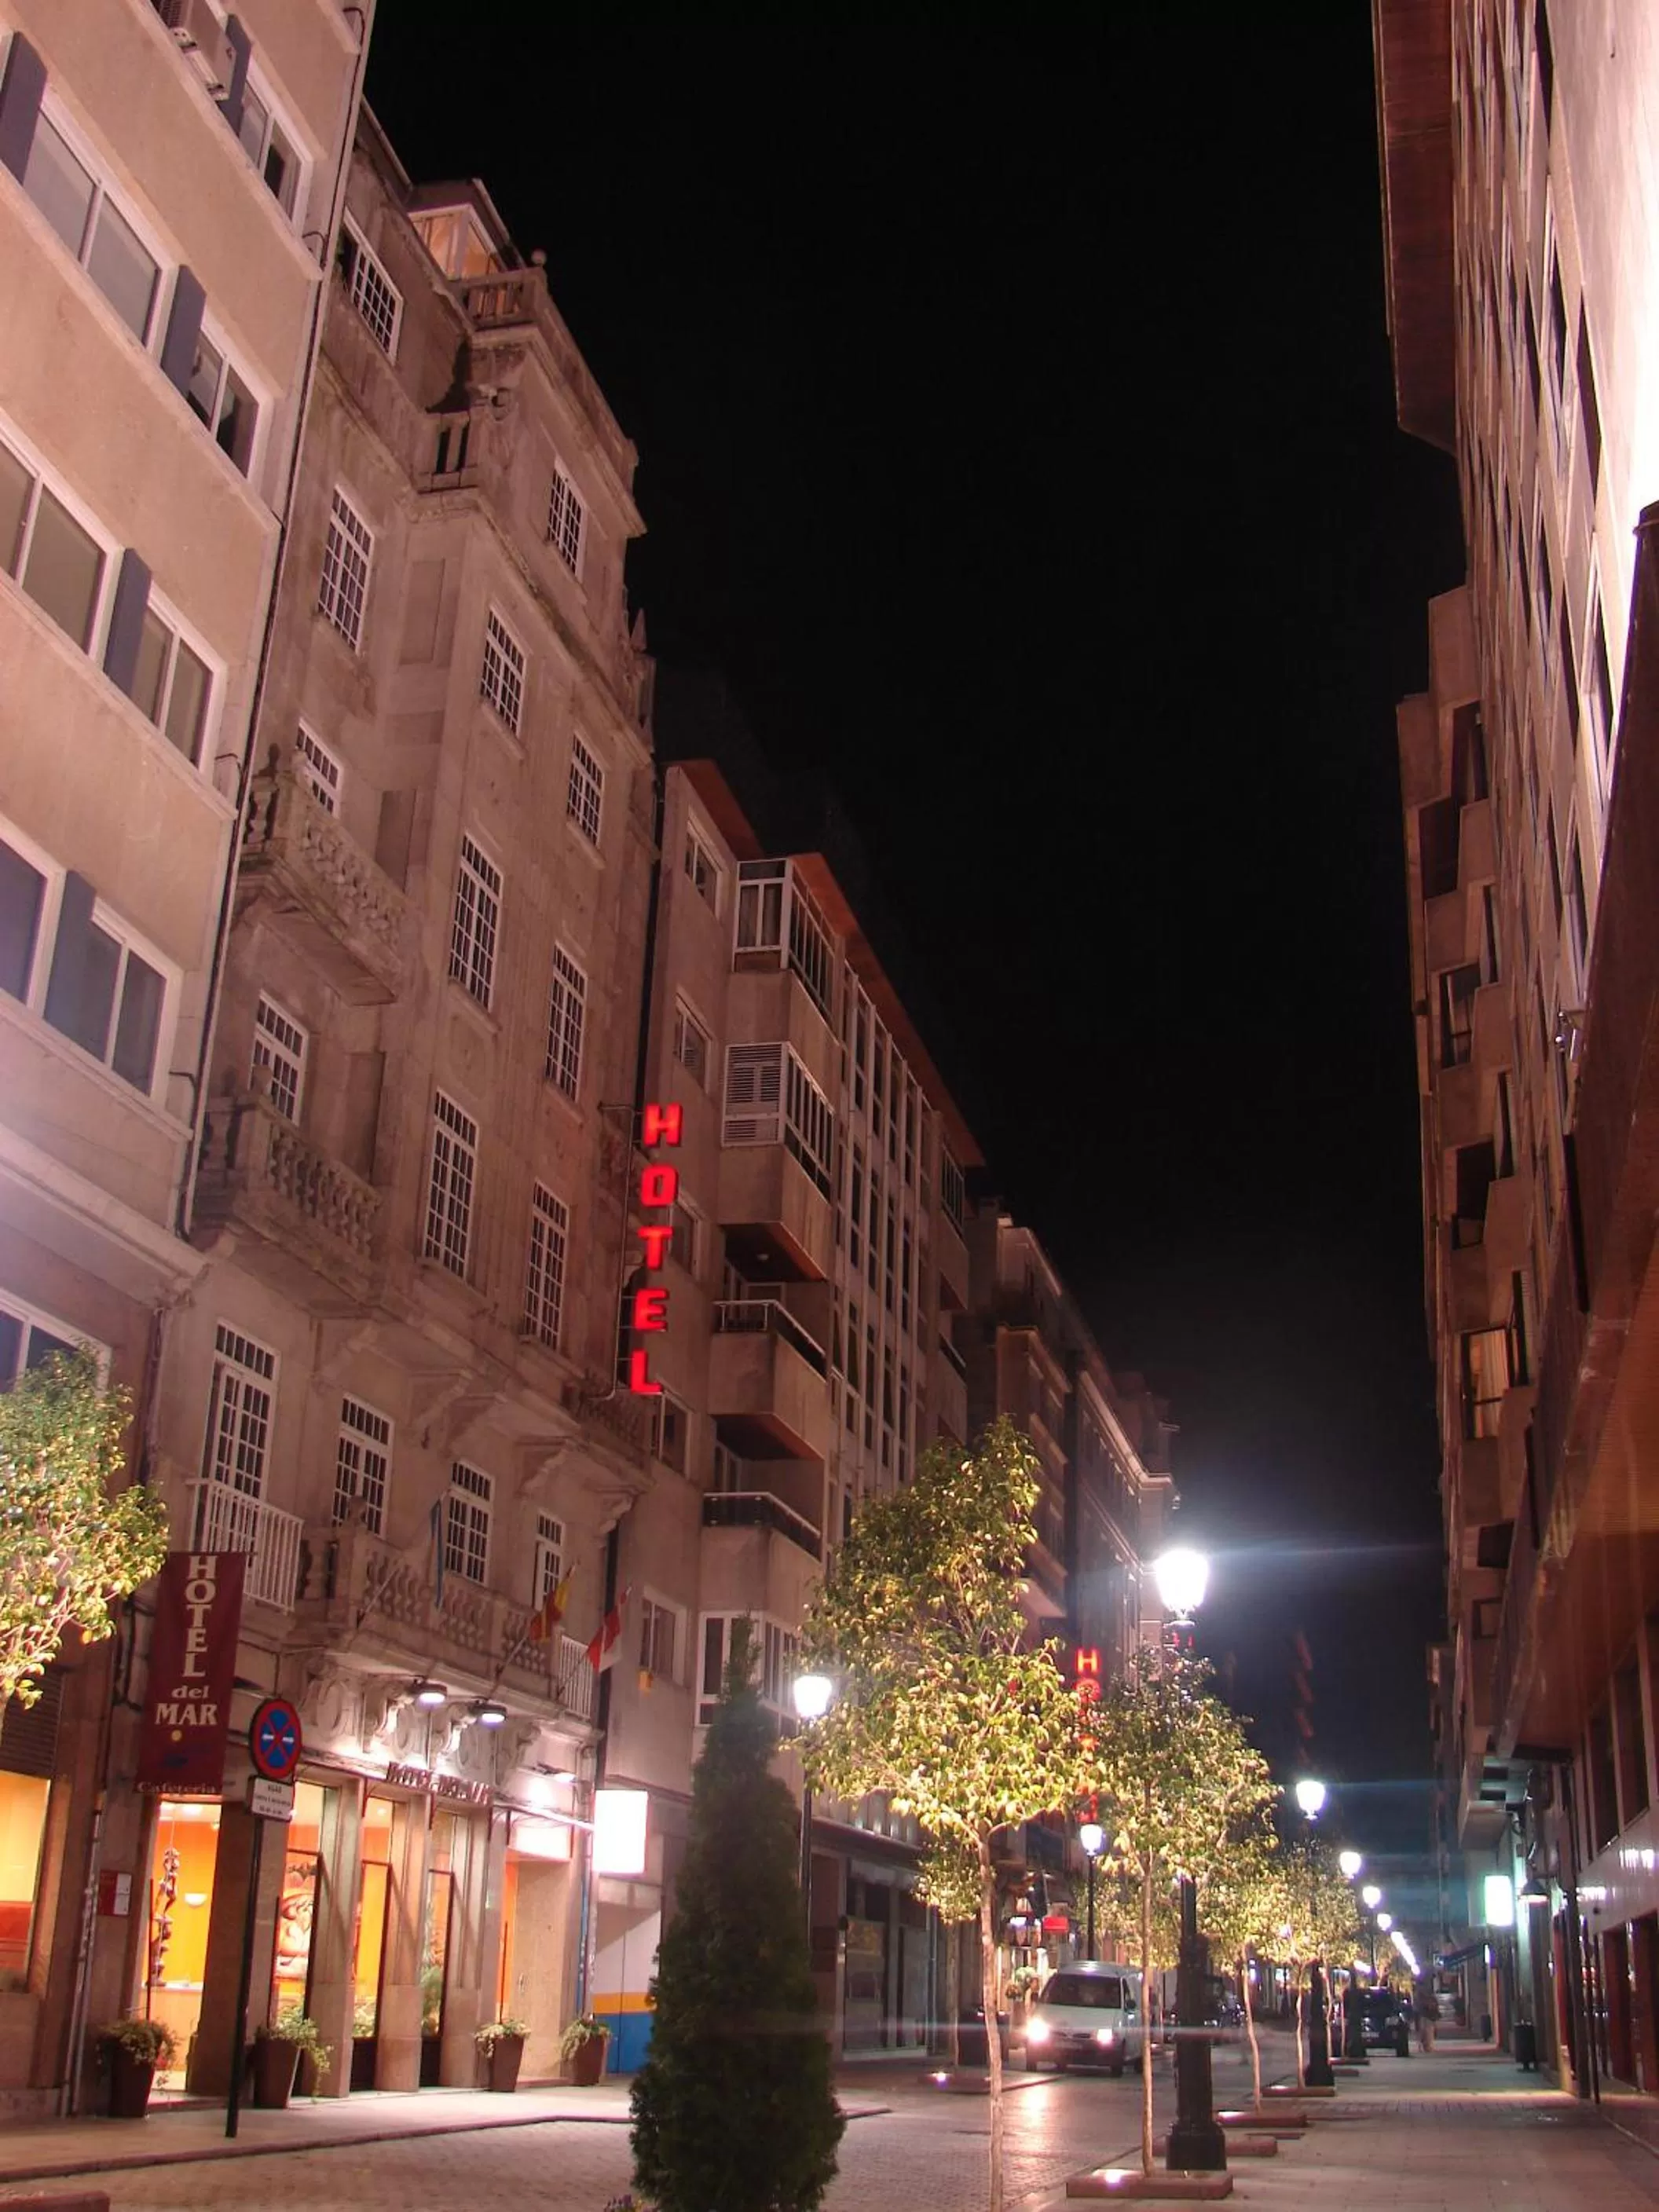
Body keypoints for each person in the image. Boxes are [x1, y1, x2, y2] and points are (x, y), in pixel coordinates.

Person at [1413, 1981, 1437, 2053]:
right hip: (1424, 2016)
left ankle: (1426, 2046)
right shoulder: (1421, 1996)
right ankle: (1426, 2046)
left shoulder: (1420, 1996)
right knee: (1426, 2031)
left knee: (1425, 2031)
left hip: (1425, 2016)